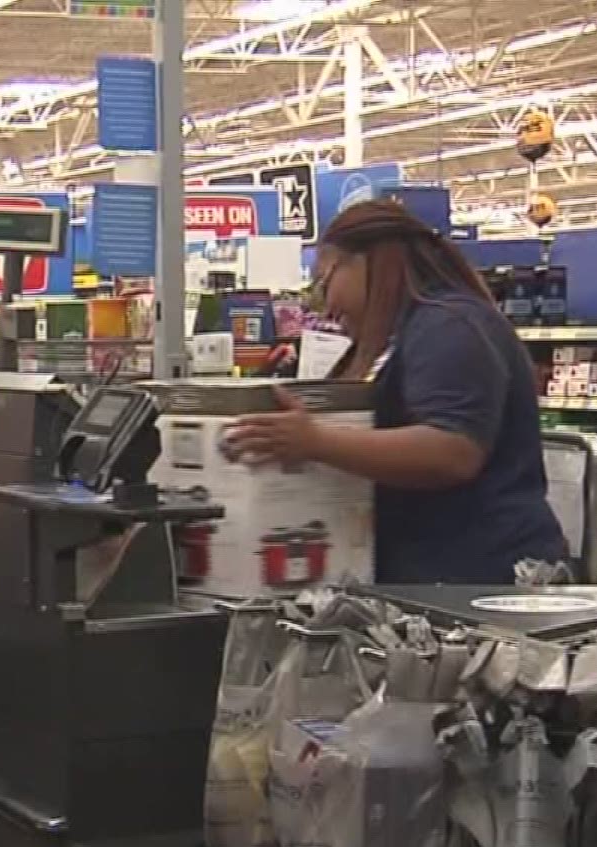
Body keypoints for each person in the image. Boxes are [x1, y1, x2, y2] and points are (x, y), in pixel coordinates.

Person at [223, 199, 566, 584]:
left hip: (485, 584)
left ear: (366, 261)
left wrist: (315, 441)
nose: (326, 307)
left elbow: (452, 451)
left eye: (324, 282)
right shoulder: (410, 332)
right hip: (438, 576)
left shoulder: (450, 325)